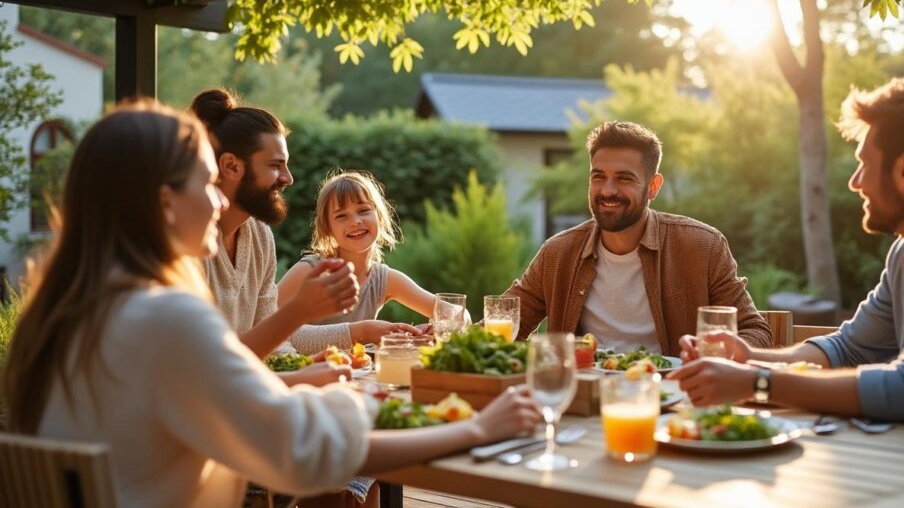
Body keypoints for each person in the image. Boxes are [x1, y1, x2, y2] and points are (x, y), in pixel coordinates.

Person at [2, 101, 541, 507]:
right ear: (166, 202)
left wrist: (325, 387)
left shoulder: (75, 313)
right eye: (206, 182)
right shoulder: (164, 316)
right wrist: (478, 429)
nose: (219, 198)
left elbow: (211, 393)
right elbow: (302, 456)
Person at [672, 71, 904, 420]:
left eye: (864, 164)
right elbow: (849, 347)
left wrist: (757, 382)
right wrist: (750, 358)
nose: (855, 183)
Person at [190, 90, 418, 372]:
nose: (289, 178)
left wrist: (306, 365)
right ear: (231, 166)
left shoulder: (259, 236)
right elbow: (207, 369)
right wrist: (302, 314)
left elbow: (274, 344)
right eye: (276, 166)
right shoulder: (189, 245)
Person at [506, 120, 772, 356]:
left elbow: (755, 331)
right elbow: (505, 327)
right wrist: (466, 338)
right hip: (581, 400)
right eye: (599, 177)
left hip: (674, 399)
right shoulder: (558, 253)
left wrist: (714, 353)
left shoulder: (703, 246)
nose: (608, 190)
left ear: (653, 187)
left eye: (624, 178)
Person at [278, 171, 438, 353]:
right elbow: (269, 330)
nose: (355, 221)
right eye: (341, 216)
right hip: (296, 376)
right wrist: (361, 332)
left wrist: (434, 329)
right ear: (327, 227)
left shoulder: (383, 279)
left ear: (379, 215)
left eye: (363, 210)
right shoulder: (309, 271)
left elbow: (456, 313)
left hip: (351, 376)